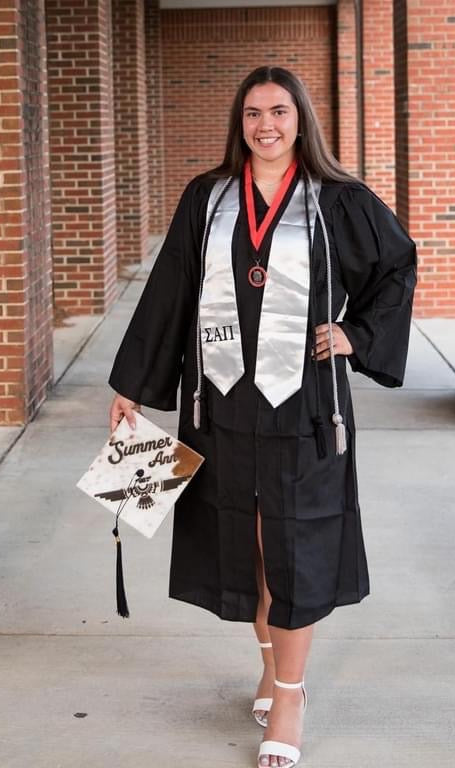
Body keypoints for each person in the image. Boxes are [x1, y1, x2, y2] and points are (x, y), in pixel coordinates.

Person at [108, 66, 418, 768]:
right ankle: (272, 664)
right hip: (218, 403)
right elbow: (170, 290)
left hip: (305, 407)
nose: (266, 125)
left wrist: (356, 337)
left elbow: (397, 266)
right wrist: (133, 384)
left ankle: (290, 693)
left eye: (279, 111)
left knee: (294, 549)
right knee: (245, 547)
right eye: (252, 113)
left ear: (301, 119)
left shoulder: (337, 201)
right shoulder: (207, 198)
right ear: (238, 122)